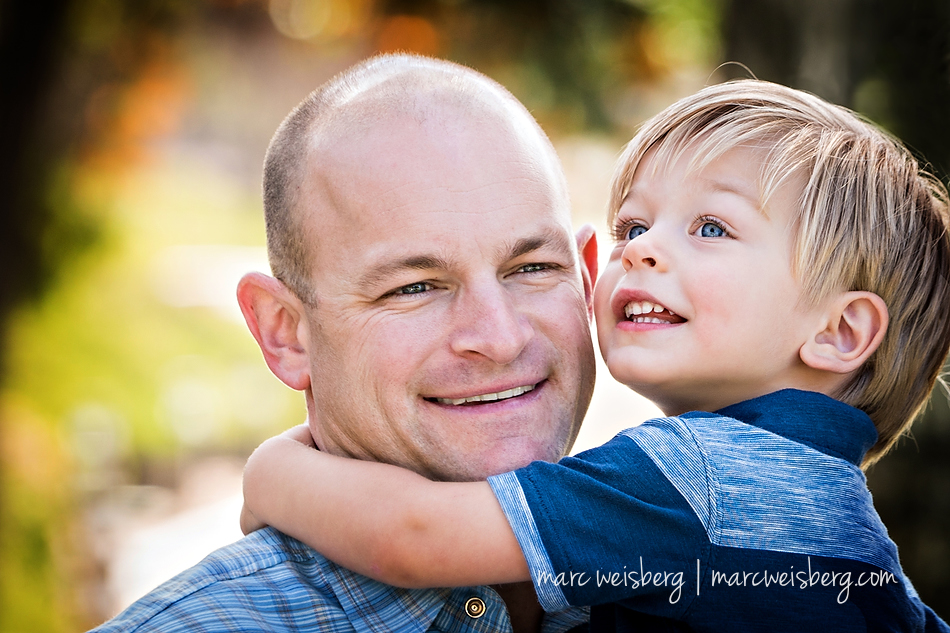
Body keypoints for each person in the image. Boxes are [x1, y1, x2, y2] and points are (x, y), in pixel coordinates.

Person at [242, 79, 950, 632]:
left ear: (840, 331)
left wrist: (275, 473)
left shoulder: (699, 478)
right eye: (634, 222)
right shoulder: (840, 522)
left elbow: (411, 535)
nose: (639, 248)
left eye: (711, 226)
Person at [90, 54, 598, 632]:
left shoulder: (690, 567)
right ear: (285, 333)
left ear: (586, 280)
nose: (501, 339)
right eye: (415, 287)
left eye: (531, 268)